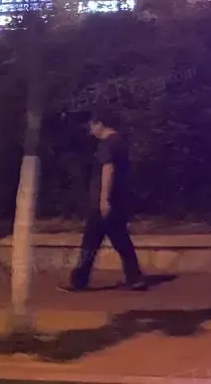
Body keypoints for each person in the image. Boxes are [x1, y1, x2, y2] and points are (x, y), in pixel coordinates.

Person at [61, 110, 147, 291]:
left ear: (100, 124)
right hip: (118, 200)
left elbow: (108, 170)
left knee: (90, 243)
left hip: (102, 203)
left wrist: (103, 199)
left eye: (92, 126)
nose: (91, 130)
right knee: (120, 240)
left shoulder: (106, 145)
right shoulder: (120, 142)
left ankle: (79, 281)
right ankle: (134, 278)